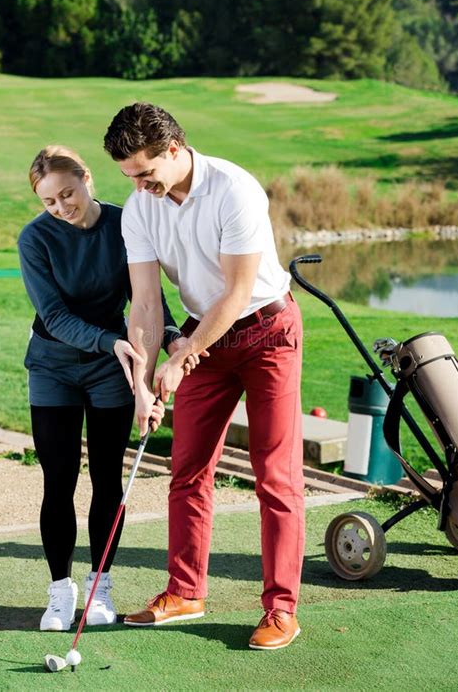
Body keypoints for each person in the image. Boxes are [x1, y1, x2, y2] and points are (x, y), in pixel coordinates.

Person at [103, 103, 305, 650]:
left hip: (267, 330)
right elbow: (144, 304)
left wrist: (184, 351)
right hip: (202, 336)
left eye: (146, 172)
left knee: (275, 474)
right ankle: (185, 590)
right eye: (129, 177)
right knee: (188, 467)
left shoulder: (234, 189)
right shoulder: (139, 209)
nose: (140, 186)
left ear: (173, 149)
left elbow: (237, 292)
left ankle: (282, 607)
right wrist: (144, 383)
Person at [18, 145, 182, 631]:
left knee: (108, 479)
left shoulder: (123, 223)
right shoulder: (35, 239)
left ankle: (100, 587)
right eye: (49, 201)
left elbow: (145, 298)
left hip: (112, 366)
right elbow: (53, 317)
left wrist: (171, 338)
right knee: (59, 479)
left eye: (68, 193)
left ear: (87, 178)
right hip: (54, 367)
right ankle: (60, 594)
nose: (62, 207)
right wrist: (111, 341)